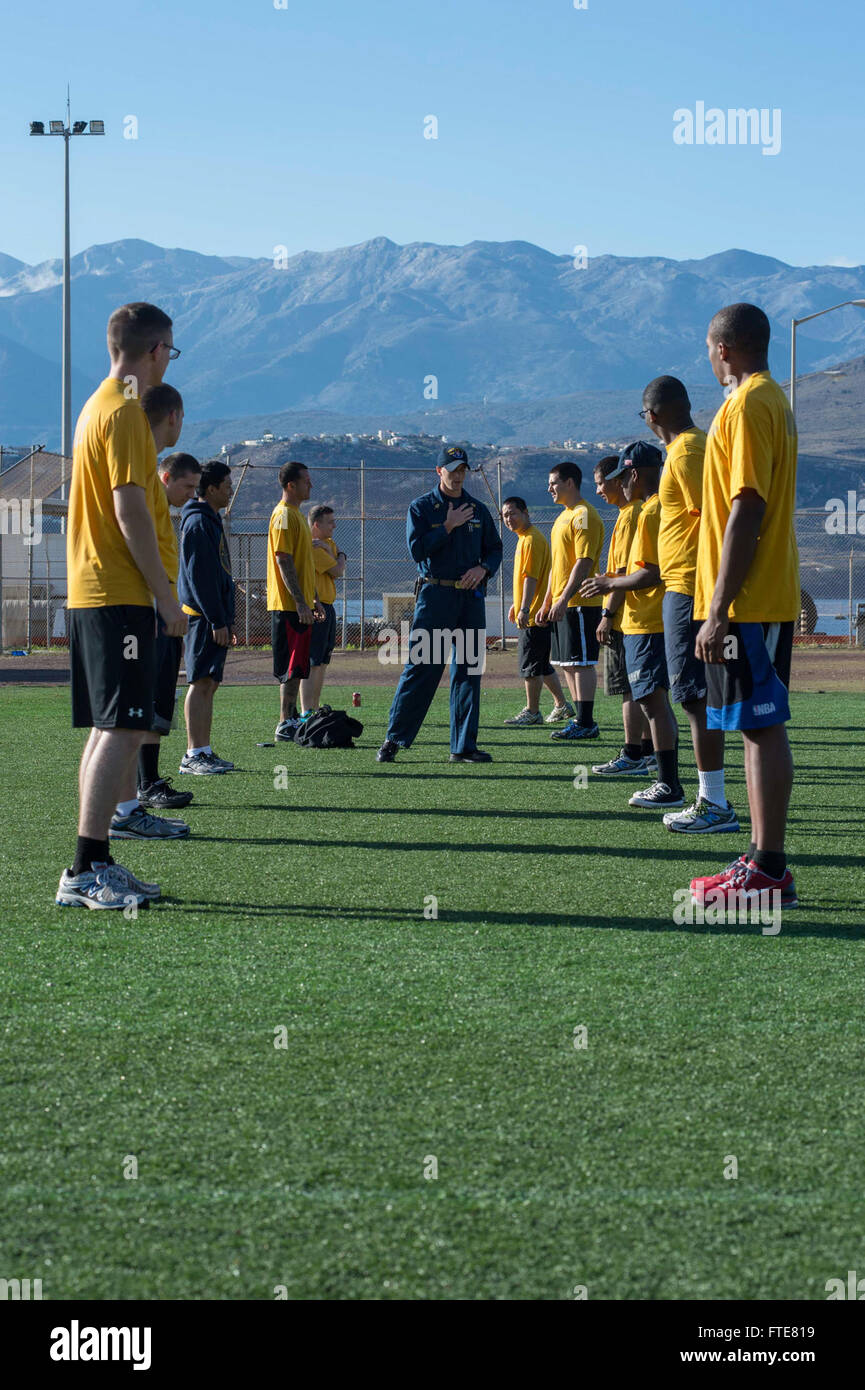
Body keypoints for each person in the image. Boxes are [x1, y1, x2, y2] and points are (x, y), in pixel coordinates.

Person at [56, 301, 186, 909]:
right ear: (156, 349)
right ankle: (84, 868)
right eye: (170, 352)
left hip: (93, 589)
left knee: (114, 725)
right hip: (119, 591)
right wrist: (166, 598)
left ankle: (96, 858)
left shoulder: (94, 407)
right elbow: (129, 509)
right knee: (128, 724)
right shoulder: (129, 414)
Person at [691, 303, 800, 910]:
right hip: (757, 597)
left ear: (724, 348)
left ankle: (768, 867)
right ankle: (762, 860)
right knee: (756, 726)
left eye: (710, 350)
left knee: (760, 724)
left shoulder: (749, 403)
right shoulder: (768, 399)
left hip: (750, 600)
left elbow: (747, 507)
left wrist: (718, 606)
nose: (709, 359)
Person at [643, 375, 739, 834]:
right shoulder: (688, 448)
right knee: (694, 697)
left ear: (653, 416)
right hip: (685, 587)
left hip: (689, 589)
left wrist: (712, 592)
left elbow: (715, 519)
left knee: (695, 697)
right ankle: (710, 798)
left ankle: (714, 802)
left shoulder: (685, 452)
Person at [377, 445, 503, 764]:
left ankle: (462, 747)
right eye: (453, 470)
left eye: (463, 470)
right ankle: (394, 738)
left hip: (470, 599)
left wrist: (483, 568)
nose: (458, 476)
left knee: (468, 670)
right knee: (422, 668)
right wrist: (447, 527)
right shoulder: (421, 508)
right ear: (439, 471)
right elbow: (417, 552)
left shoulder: (477, 508)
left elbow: (495, 548)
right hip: (436, 597)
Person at [580, 441, 685, 810]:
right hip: (647, 619)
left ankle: (668, 783)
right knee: (650, 699)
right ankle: (662, 777)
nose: (619, 484)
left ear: (634, 475)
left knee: (653, 701)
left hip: (646, 620)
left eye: (622, 477)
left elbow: (648, 573)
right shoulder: (652, 509)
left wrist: (609, 592)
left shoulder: (647, 512)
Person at [135, 384, 201, 812]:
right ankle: (142, 787)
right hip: (150, 612)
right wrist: (165, 603)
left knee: (157, 702)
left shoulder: (162, 503)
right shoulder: (146, 494)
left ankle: (148, 782)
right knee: (144, 705)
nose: (191, 494)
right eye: (188, 486)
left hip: (161, 611)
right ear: (166, 476)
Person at [589, 457, 655, 776]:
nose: (599, 489)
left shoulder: (632, 516)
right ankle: (648, 751)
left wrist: (606, 614)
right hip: (638, 616)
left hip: (629, 618)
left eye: (602, 482)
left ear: (620, 480)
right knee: (644, 688)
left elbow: (621, 575)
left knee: (630, 688)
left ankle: (633, 755)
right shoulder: (632, 514)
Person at [536, 460, 605, 741]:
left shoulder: (584, 515)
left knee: (581, 662)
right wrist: (546, 600)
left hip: (581, 603)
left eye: (553, 483)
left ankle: (586, 722)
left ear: (570, 483)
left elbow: (584, 561)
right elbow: (558, 565)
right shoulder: (562, 517)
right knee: (565, 663)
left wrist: (565, 597)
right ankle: (579, 720)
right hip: (562, 603)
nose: (549, 488)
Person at [177, 461, 237, 775]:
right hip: (202, 618)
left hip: (214, 617)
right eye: (226, 486)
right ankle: (192, 754)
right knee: (199, 681)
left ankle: (204, 749)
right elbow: (198, 577)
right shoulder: (198, 523)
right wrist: (216, 619)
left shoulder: (211, 519)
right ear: (211, 488)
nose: (230, 491)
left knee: (210, 683)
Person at [500, 496, 573, 726]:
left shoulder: (531, 539)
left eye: (513, 513)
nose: (508, 519)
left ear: (525, 513)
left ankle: (532, 711)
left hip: (534, 616)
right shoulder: (525, 538)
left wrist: (525, 608)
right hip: (535, 611)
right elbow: (530, 577)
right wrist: (518, 602)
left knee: (530, 664)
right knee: (541, 664)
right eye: (504, 515)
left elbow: (531, 578)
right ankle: (562, 705)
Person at [267, 461, 325, 741]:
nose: (310, 485)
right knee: (290, 668)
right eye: (306, 480)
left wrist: (313, 599)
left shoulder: (298, 516)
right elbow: (283, 560)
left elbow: (301, 564)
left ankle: (290, 719)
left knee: (299, 665)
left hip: (301, 605)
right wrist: (300, 603)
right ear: (291, 485)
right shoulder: (283, 516)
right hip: (288, 606)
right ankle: (284, 721)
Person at [299, 503, 346, 714]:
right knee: (313, 662)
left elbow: (337, 563)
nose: (334, 526)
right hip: (317, 607)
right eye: (330, 522)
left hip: (328, 606)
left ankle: (315, 708)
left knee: (323, 661)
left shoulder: (328, 543)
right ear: (316, 524)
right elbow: (338, 570)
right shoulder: (314, 545)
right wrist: (341, 557)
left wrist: (336, 554)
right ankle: (307, 710)